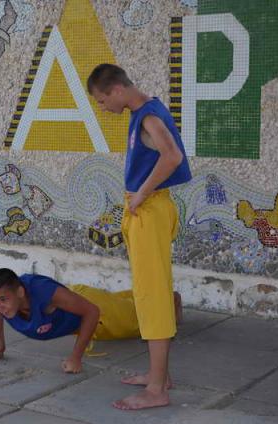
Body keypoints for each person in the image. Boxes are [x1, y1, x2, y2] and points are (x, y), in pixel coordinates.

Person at [87, 63, 192, 410]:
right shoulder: (148, 109)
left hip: (149, 212)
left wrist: (143, 194)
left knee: (152, 297)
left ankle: (157, 391)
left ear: (116, 89)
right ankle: (158, 375)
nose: (103, 108)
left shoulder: (147, 116)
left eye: (102, 101)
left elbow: (173, 157)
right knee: (152, 292)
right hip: (148, 212)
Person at [0, 268, 181, 374]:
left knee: (140, 322)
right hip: (76, 308)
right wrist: (0, 345)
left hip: (95, 309)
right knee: (125, 304)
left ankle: (171, 300)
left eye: (3, 300)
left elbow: (92, 312)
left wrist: (76, 357)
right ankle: (161, 297)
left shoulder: (43, 291)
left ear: (20, 292)